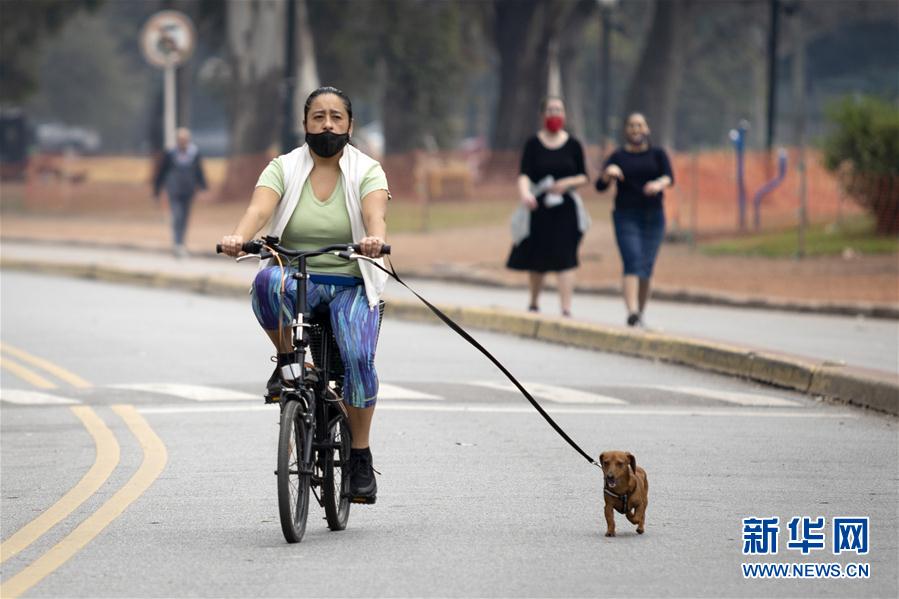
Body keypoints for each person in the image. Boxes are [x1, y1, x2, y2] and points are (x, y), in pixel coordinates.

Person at [218, 87, 389, 504]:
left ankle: (360, 457)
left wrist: (373, 240)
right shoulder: (283, 167)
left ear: (349, 125)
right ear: (305, 124)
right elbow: (259, 210)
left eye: (335, 117)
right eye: (318, 117)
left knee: (359, 359)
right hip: (300, 282)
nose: (327, 124)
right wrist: (240, 237)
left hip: (352, 284)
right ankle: (287, 363)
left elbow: (375, 214)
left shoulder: (368, 170)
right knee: (264, 282)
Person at [506, 97, 590, 317]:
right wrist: (525, 194)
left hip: (566, 208)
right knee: (538, 256)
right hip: (539, 207)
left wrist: (566, 183)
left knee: (566, 256)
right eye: (550, 110)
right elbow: (524, 175)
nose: (555, 114)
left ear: (565, 114)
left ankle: (566, 307)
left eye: (559, 110)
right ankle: (534, 302)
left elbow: (584, 176)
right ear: (543, 115)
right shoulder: (533, 144)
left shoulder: (573, 144)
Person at [596, 112, 674, 327]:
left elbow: (669, 176)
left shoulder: (657, 154)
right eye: (631, 126)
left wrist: (659, 184)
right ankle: (631, 312)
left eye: (639, 125)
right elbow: (600, 186)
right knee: (632, 260)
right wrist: (608, 173)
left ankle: (640, 311)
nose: (635, 130)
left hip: (654, 216)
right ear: (625, 130)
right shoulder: (618, 156)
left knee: (646, 266)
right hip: (626, 215)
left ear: (647, 129)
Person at [153, 127, 208, 258]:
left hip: (188, 190)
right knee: (177, 215)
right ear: (177, 140)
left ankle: (181, 241)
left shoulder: (194, 153)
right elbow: (162, 172)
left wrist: (203, 186)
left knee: (185, 217)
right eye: (181, 139)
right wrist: (157, 189)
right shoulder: (170, 153)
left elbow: (199, 171)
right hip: (174, 190)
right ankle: (177, 243)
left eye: (185, 139)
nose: (183, 142)